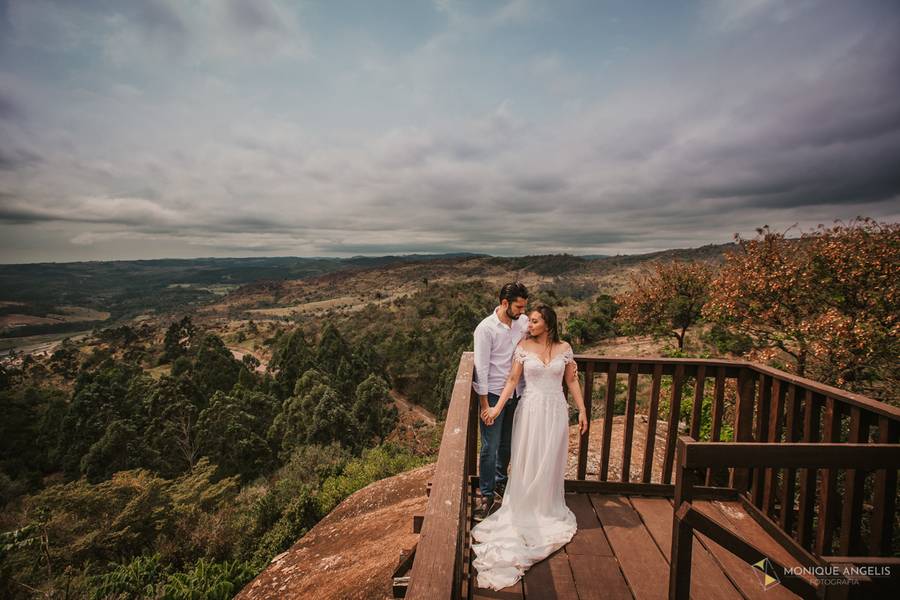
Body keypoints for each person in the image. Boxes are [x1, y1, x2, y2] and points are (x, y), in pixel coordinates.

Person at [472, 305, 589, 591]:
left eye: (534, 321)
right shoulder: (523, 346)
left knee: (550, 460)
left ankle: (545, 505)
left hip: (556, 411)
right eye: (529, 320)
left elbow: (572, 380)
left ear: (547, 324)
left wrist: (583, 411)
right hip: (531, 410)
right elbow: (512, 380)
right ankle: (525, 506)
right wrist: (496, 408)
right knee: (528, 460)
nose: (529, 324)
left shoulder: (565, 348)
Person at [473, 282, 530, 517]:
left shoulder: (523, 323)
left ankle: (500, 480)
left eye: (524, 306)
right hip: (495, 393)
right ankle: (486, 494)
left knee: (507, 444)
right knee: (489, 446)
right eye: (518, 306)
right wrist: (486, 404)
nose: (522, 311)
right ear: (504, 303)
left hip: (516, 393)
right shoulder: (485, 329)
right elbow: (481, 368)